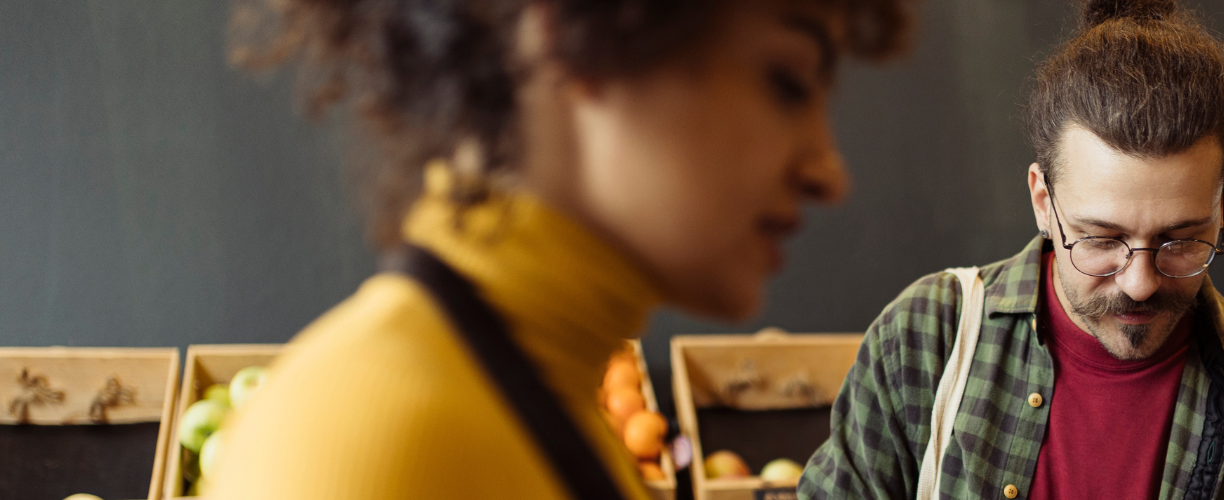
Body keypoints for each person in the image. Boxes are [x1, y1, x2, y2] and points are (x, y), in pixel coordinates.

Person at [201, 1, 910, 499]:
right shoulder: (365, 449)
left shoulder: (550, 397)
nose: (829, 169)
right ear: (577, 36)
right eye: (786, 82)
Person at [800, 0, 1224, 498]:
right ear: (1042, 201)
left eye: (1181, 239)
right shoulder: (923, 340)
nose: (1140, 282)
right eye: (1102, 239)